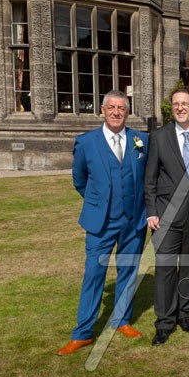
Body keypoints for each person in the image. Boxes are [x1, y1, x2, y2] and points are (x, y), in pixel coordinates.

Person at [57, 90, 149, 356]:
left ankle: (122, 319)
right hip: (101, 223)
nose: (116, 112)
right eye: (112, 108)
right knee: (93, 274)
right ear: (102, 110)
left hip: (134, 221)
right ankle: (83, 333)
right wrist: (98, 203)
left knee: (128, 271)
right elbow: (79, 180)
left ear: (127, 112)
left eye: (121, 108)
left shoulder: (142, 140)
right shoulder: (86, 142)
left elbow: (147, 177)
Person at [144, 89, 189, 346]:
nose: (180, 108)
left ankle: (184, 314)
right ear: (171, 108)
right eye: (176, 104)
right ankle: (164, 323)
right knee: (164, 268)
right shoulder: (159, 137)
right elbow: (150, 178)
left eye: (185, 104)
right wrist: (151, 211)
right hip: (166, 215)